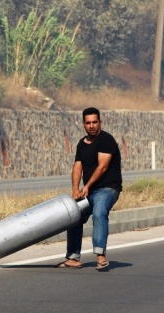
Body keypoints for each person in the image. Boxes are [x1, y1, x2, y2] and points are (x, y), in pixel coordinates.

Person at [56, 107, 122, 271]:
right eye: (88, 123)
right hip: (89, 192)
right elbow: (77, 167)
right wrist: (75, 189)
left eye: (94, 122)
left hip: (107, 189)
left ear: (100, 122)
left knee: (99, 211)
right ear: (83, 124)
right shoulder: (81, 144)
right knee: (73, 215)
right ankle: (73, 258)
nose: (92, 126)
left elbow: (102, 167)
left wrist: (86, 186)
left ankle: (100, 256)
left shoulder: (106, 140)